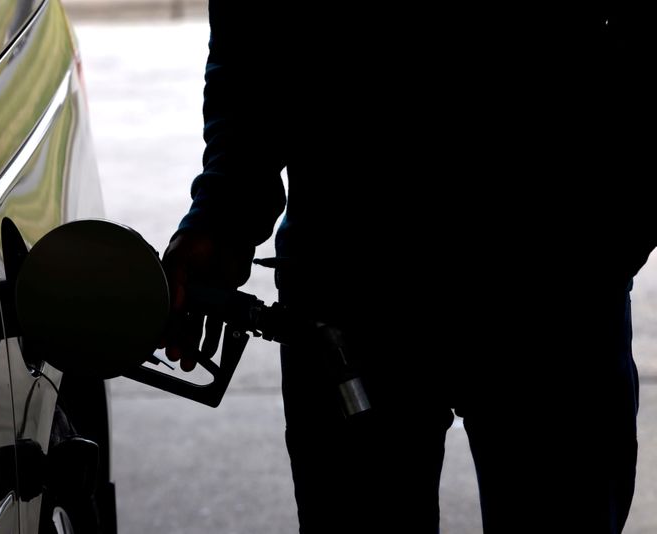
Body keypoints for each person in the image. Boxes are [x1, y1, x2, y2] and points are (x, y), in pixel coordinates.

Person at [161, 3, 656, 532]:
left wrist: (618, 226)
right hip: (356, 289)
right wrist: (224, 211)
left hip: (551, 284)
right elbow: (254, 37)